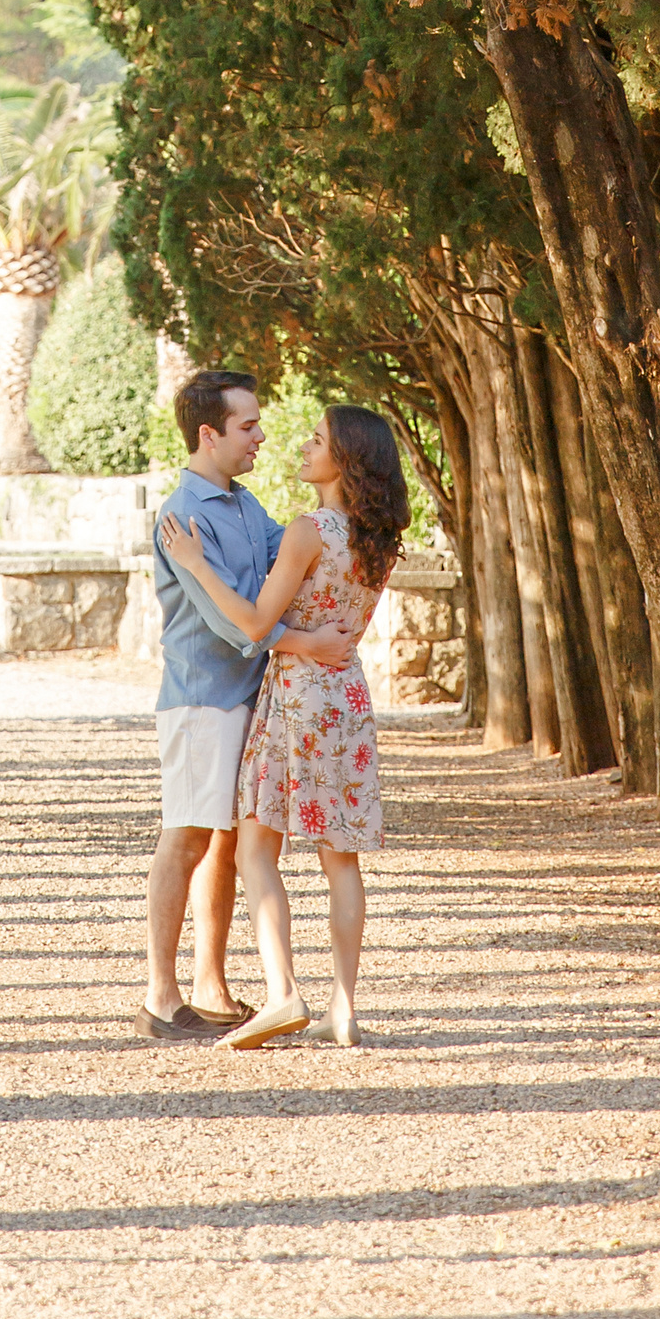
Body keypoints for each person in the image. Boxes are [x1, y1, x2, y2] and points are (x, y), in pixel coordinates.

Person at [157, 402, 409, 1049]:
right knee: (340, 857)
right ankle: (343, 1010)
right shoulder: (378, 539)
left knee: (255, 847)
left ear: (344, 460)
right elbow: (338, 629)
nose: (302, 444)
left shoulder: (308, 531)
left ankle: (281, 995)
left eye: (317, 439)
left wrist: (195, 561)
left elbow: (251, 623)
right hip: (347, 698)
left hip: (296, 698)